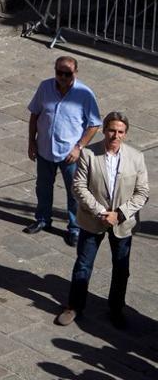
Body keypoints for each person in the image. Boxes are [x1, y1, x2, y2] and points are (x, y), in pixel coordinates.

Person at [56, 112, 150, 329]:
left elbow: (142, 192)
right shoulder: (89, 154)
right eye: (111, 130)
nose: (115, 135)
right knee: (83, 264)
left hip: (122, 222)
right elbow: (78, 187)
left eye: (120, 132)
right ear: (104, 130)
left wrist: (120, 213)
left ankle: (116, 309)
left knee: (121, 268)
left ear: (125, 134)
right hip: (93, 219)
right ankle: (74, 306)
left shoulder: (136, 157)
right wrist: (101, 212)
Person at [25, 56, 102, 247]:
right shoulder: (45, 87)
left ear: (75, 73)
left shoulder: (84, 94)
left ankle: (75, 229)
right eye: (59, 72)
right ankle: (42, 219)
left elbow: (94, 124)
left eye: (67, 73)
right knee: (43, 188)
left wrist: (79, 147)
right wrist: (31, 142)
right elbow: (35, 115)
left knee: (74, 193)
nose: (62, 77)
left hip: (70, 154)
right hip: (44, 149)